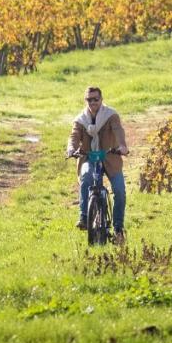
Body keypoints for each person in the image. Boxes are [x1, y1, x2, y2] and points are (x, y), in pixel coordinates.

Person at [67, 86, 129, 244]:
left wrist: (122, 146)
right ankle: (84, 216)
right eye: (89, 99)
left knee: (120, 191)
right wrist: (71, 149)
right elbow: (74, 136)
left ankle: (118, 228)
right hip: (88, 157)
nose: (93, 102)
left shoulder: (111, 115)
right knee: (86, 178)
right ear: (85, 100)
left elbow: (118, 130)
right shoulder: (80, 119)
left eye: (96, 99)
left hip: (110, 158)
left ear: (101, 99)